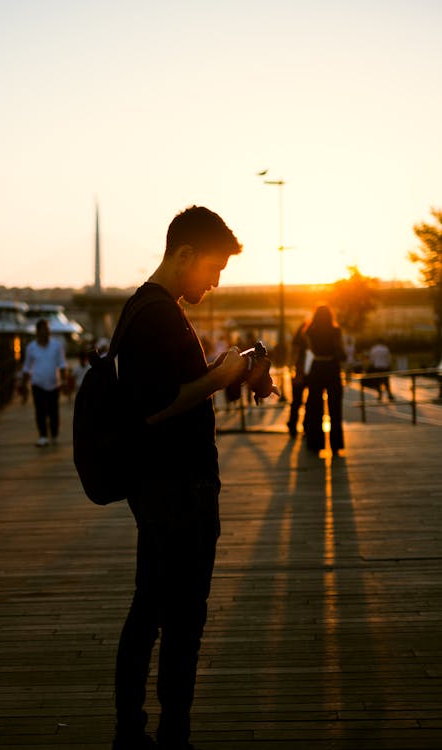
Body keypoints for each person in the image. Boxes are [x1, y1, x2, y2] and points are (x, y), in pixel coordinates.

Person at [111, 206, 274, 750]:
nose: (216, 280)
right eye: (213, 267)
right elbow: (155, 409)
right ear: (184, 255)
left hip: (162, 488)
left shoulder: (149, 309)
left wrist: (231, 374)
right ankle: (170, 734)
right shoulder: (158, 316)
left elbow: (163, 397)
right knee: (181, 619)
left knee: (151, 609)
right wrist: (220, 376)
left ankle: (133, 731)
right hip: (176, 491)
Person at [303, 304, 346, 455]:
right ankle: (335, 445)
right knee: (335, 408)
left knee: (315, 407)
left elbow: (310, 352)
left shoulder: (310, 332)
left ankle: (315, 444)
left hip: (316, 367)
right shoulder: (336, 331)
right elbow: (340, 350)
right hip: (332, 367)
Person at [21, 319, 67, 446]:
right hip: (37, 384)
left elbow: (62, 365)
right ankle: (42, 436)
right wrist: (24, 385)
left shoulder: (57, 346)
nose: (45, 333)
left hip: (54, 384)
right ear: (37, 332)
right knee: (40, 411)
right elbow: (26, 367)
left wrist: (64, 381)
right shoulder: (31, 348)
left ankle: (54, 432)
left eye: (47, 330)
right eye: (42, 330)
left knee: (53, 410)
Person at [286, 321, 308, 437]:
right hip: (302, 373)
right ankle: (298, 425)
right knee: (299, 401)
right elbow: (292, 358)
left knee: (297, 401)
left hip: (301, 373)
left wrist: (291, 370)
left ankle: (293, 424)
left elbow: (291, 357)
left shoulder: (297, 343)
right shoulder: (305, 343)